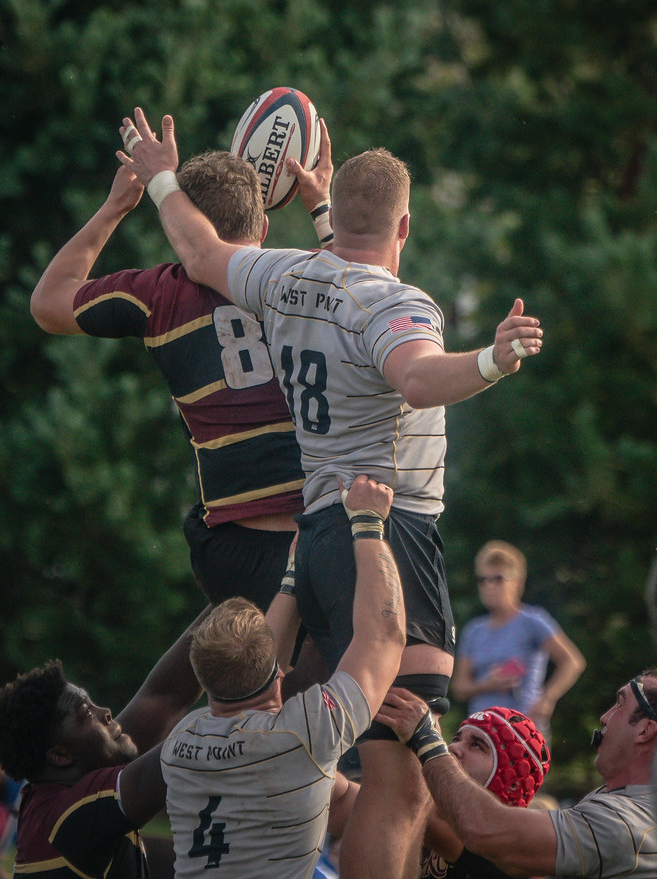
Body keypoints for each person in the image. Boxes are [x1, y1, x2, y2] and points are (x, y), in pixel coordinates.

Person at [118, 107, 544, 879]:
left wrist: (159, 177)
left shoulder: (281, 272)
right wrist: (491, 359)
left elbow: (198, 245)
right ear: (405, 224)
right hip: (385, 529)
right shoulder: (400, 303)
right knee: (400, 778)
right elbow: (416, 376)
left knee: (329, 749)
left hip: (313, 537)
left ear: (332, 215)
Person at [29, 152, 305, 616]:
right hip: (322, 534)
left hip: (234, 548)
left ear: (178, 230)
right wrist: (320, 200)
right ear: (263, 229)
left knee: (232, 684)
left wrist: (116, 205)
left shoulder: (157, 294)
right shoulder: (306, 274)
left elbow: (46, 304)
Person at [161, 475, 405, 878]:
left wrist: (292, 575)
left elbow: (257, 667)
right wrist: (368, 524)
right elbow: (385, 635)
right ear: (277, 672)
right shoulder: (300, 736)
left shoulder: (181, 742)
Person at [0, 605, 209, 879]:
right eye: (86, 713)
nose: (106, 713)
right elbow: (188, 748)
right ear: (59, 755)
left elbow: (165, 695)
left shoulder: (65, 782)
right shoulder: (68, 816)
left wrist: (233, 594)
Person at [378, 672, 657, 877]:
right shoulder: (618, 801)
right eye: (457, 738)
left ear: (645, 730)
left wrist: (426, 742)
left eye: (620, 705)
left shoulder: (626, 821)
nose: (605, 718)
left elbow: (483, 826)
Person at [329, 703, 551, 878]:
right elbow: (337, 801)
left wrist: (424, 739)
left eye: (476, 745)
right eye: (456, 738)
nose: (453, 748)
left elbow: (437, 819)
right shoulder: (423, 810)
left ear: (510, 782)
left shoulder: (512, 850)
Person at [452, 540, 586, 733]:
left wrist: (547, 698)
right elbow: (459, 688)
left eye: (498, 579)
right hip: (482, 731)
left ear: (518, 583)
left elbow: (572, 662)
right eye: (483, 579)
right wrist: (487, 684)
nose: (489, 586)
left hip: (521, 729)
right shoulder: (473, 630)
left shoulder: (532, 621)